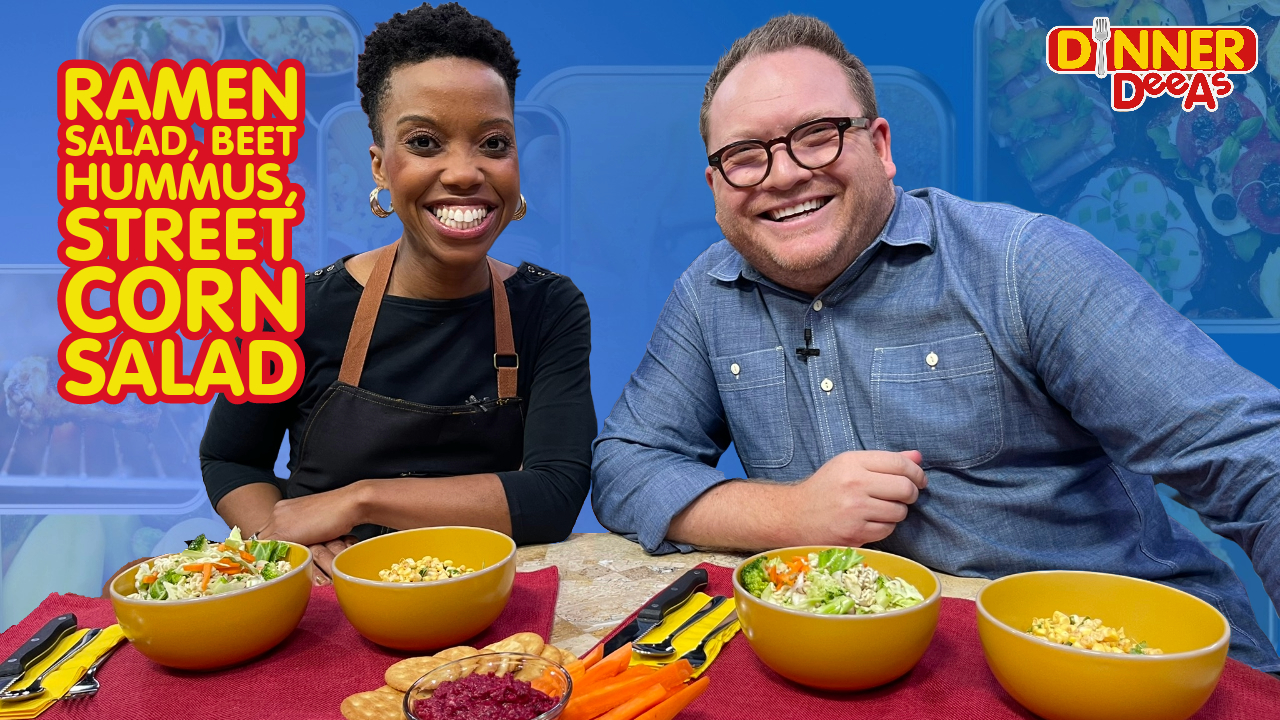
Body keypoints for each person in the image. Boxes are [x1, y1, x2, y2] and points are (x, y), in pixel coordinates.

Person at [591, 14, 1280, 672]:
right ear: (716, 188)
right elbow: (626, 466)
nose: (784, 173)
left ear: (881, 147)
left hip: (1120, 662)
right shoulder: (706, 294)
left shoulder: (1021, 263)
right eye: (746, 156)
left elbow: (1252, 458)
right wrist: (792, 514)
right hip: (866, 667)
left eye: (817, 135)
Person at [200, 3, 595, 584]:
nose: (464, 172)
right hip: (328, 599)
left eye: (493, 143)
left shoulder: (550, 307)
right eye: (426, 142)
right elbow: (230, 458)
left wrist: (361, 500)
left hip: (481, 596)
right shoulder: (289, 308)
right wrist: (284, 549)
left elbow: (555, 493)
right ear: (380, 168)